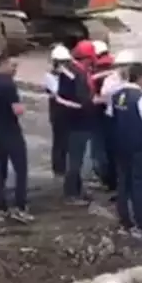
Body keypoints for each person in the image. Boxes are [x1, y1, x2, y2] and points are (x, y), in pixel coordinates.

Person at [0, 54, 33, 223]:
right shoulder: (8, 84)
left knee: (0, 170)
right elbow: (17, 110)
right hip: (11, 132)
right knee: (21, 169)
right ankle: (20, 207)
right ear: (2, 64)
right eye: (13, 65)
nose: (15, 69)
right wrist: (24, 108)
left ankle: (1, 208)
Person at [111, 62, 142, 236]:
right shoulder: (141, 98)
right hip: (139, 146)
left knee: (123, 183)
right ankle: (141, 223)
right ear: (140, 78)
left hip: (120, 144)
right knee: (139, 184)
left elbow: (111, 116)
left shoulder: (117, 95)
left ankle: (125, 221)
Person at [48, 44, 94, 202]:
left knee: (74, 158)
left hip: (68, 122)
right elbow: (81, 100)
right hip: (78, 123)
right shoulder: (74, 77)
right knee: (75, 160)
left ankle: (76, 189)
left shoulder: (59, 76)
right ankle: (72, 192)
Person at [96, 50, 136, 192]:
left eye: (127, 65)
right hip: (113, 118)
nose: (124, 68)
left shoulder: (136, 79)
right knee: (111, 152)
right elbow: (105, 95)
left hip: (130, 119)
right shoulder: (111, 80)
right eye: (122, 65)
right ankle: (112, 182)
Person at [44, 45, 72, 179]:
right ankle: (58, 168)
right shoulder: (50, 76)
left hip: (68, 111)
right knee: (59, 141)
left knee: (67, 140)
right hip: (57, 112)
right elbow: (57, 91)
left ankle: (65, 166)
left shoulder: (67, 75)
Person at [89, 41, 115, 181]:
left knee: (99, 146)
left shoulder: (95, 72)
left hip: (99, 113)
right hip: (116, 114)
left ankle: (103, 175)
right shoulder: (115, 67)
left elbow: (92, 94)